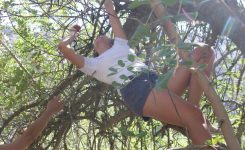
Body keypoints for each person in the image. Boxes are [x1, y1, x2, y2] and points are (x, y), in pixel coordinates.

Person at [58, 0, 215, 148]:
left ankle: (192, 111)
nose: (99, 36)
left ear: (110, 39)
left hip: (157, 80)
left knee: (205, 52)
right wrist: (73, 34)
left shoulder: (121, 44)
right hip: (137, 89)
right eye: (95, 40)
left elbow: (110, 9)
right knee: (194, 116)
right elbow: (64, 48)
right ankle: (193, 118)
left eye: (102, 35)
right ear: (95, 49)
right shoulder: (93, 65)